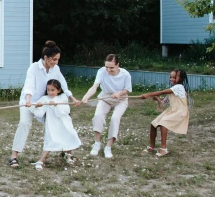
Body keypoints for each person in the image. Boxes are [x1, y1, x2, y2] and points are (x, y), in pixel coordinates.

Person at [9, 40, 78, 168]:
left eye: (57, 60)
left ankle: (66, 150)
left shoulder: (55, 69)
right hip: (29, 102)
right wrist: (29, 101)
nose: (56, 62)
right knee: (24, 124)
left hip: (46, 102)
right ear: (46, 58)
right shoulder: (34, 67)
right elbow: (29, 85)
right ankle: (14, 156)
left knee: (61, 121)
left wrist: (72, 98)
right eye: (53, 59)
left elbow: (63, 84)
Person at [80, 54, 132, 159]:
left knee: (115, 118)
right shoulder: (101, 71)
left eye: (111, 67)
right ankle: (97, 143)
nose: (108, 70)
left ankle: (108, 147)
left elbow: (127, 90)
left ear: (118, 65)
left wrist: (119, 93)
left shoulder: (125, 74)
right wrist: (86, 97)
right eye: (106, 67)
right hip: (106, 97)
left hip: (120, 99)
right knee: (97, 115)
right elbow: (95, 86)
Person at [30, 79, 82, 170]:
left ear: (58, 90)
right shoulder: (44, 99)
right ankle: (41, 160)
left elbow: (65, 111)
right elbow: (39, 113)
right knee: (51, 139)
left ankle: (69, 156)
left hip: (64, 122)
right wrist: (36, 106)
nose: (50, 92)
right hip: (52, 123)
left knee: (68, 136)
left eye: (53, 90)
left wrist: (56, 105)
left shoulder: (62, 97)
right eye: (48, 90)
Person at [140, 69, 191, 157]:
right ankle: (152, 147)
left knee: (164, 124)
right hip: (172, 111)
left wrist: (148, 94)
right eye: (170, 77)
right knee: (153, 124)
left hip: (179, 111)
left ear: (181, 79)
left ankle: (163, 149)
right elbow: (164, 102)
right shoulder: (173, 90)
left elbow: (162, 92)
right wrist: (157, 99)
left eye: (174, 77)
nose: (171, 79)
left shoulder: (179, 87)